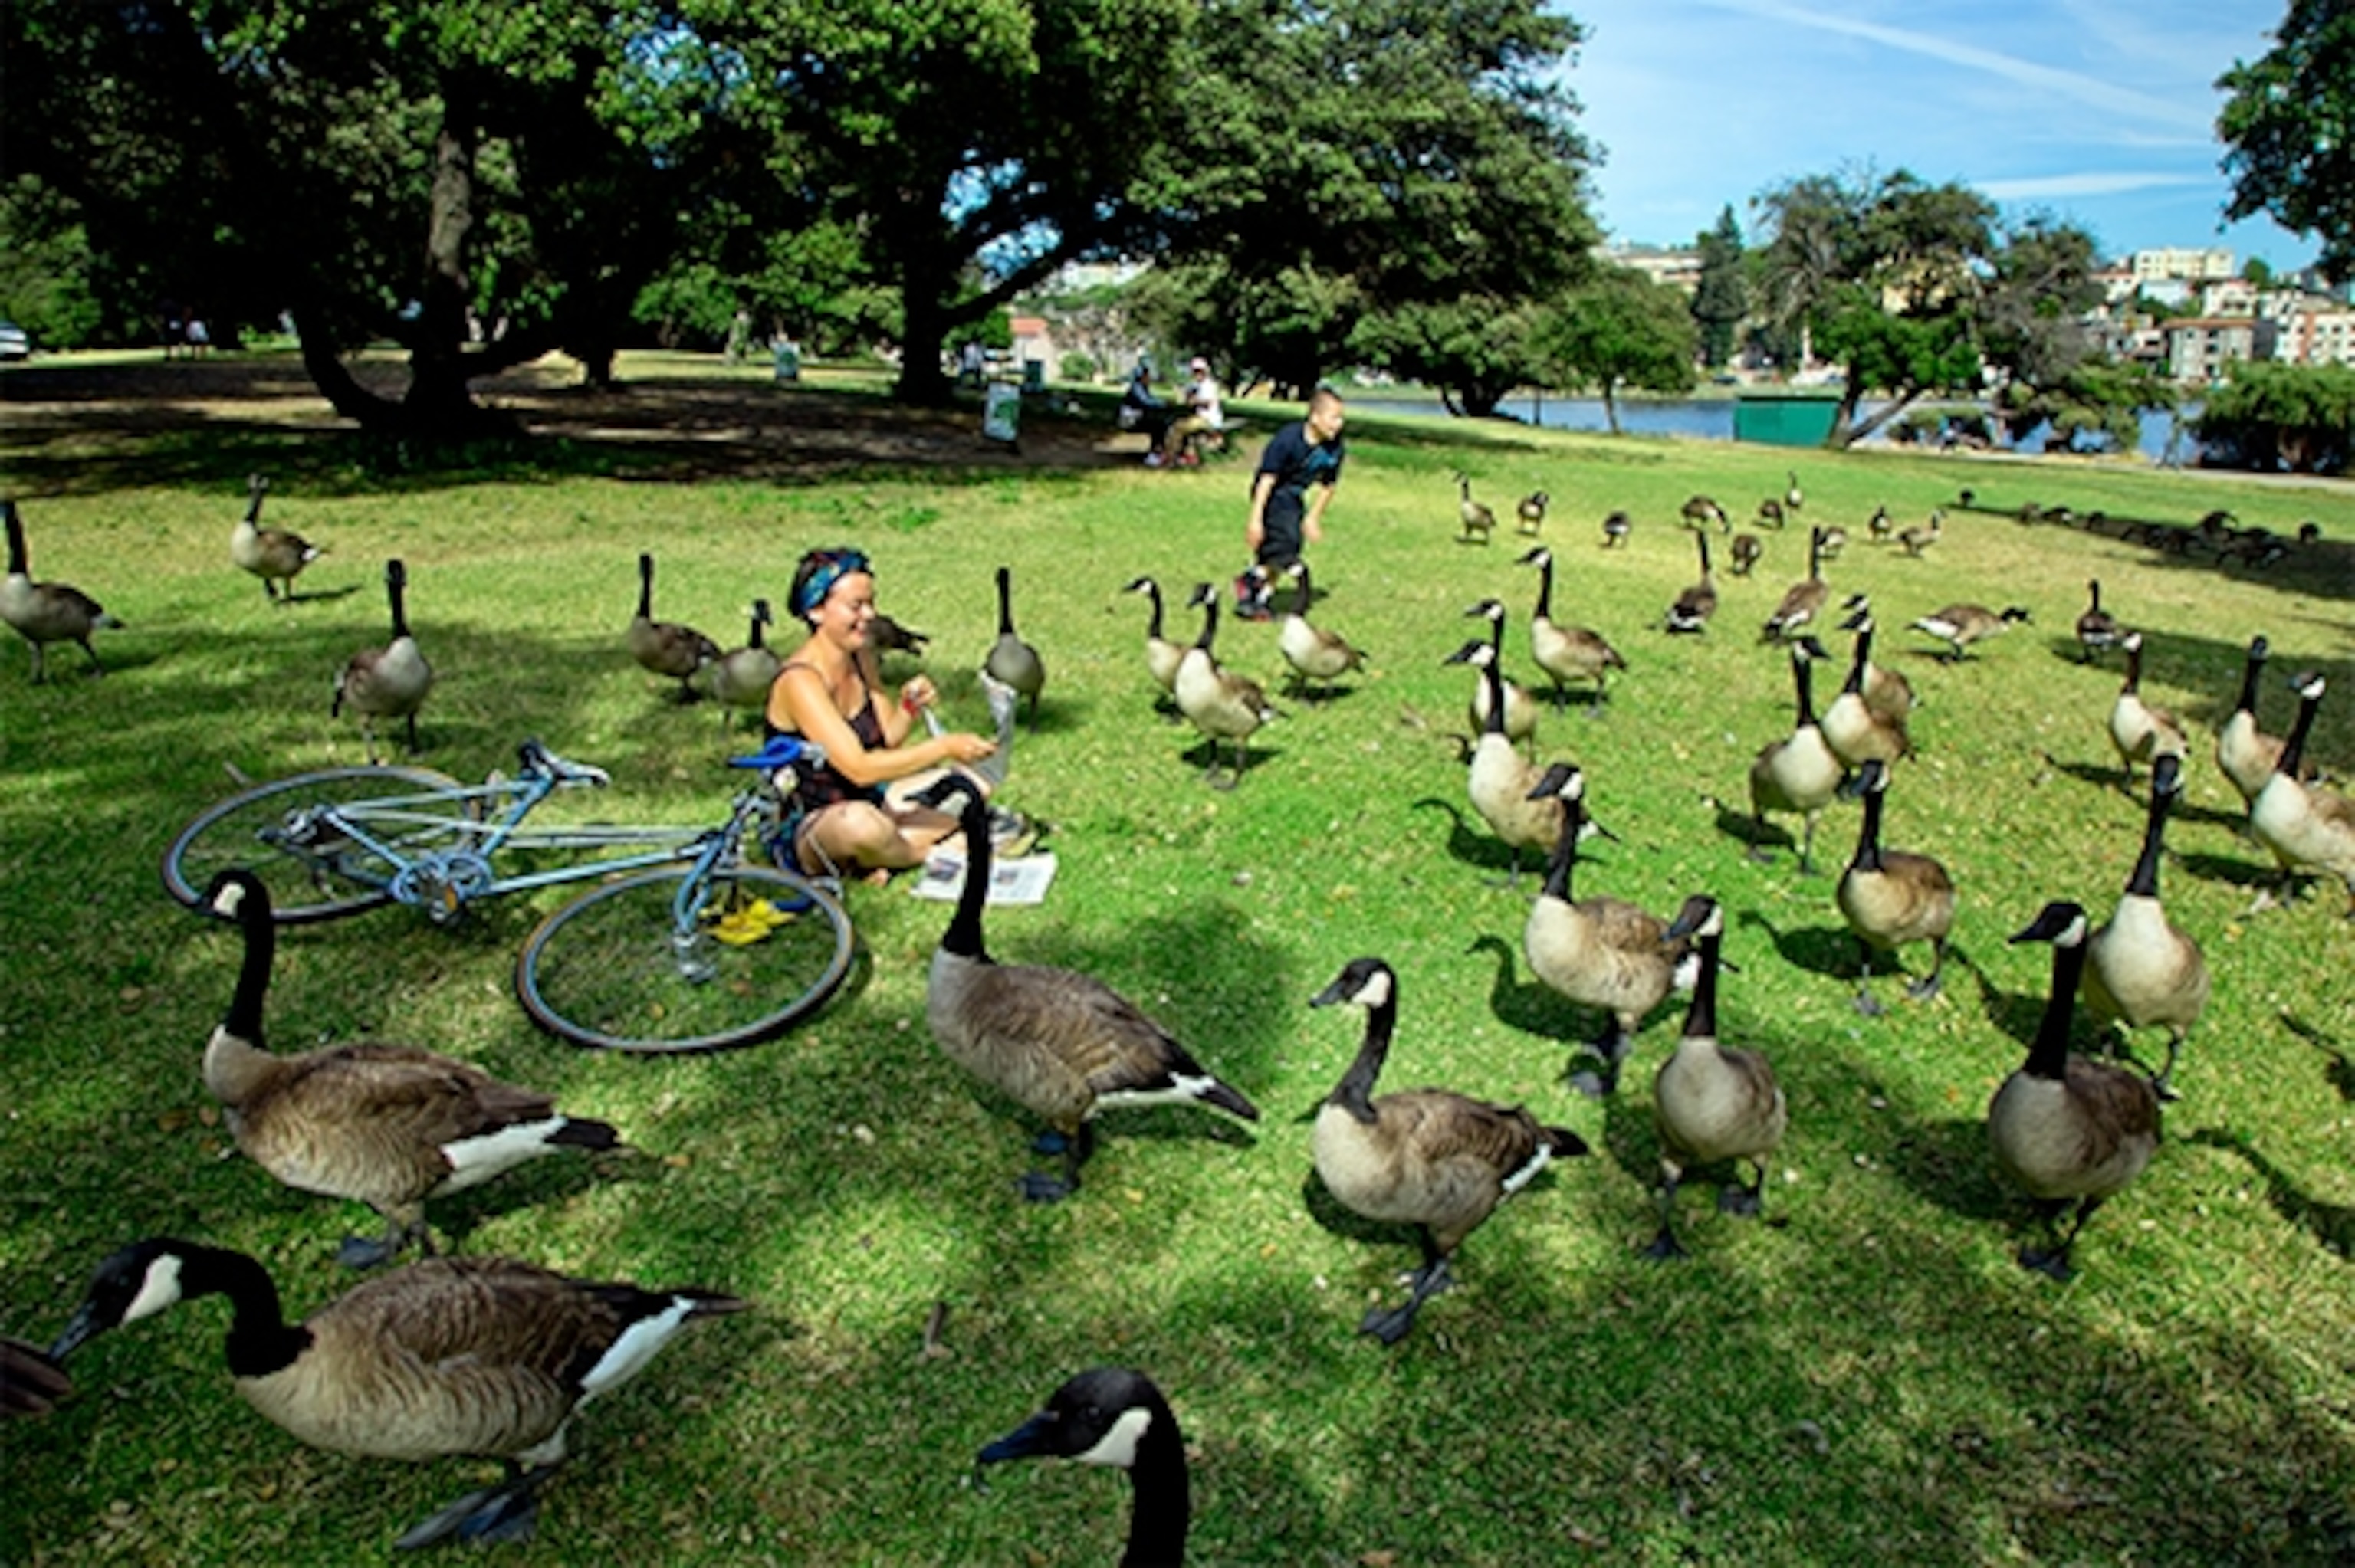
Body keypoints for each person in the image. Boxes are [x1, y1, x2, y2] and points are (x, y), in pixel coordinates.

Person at [764, 547, 1020, 883]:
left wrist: (908, 708)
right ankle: (932, 852)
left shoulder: (860, 654)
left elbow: (887, 739)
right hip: (816, 823)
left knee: (974, 782)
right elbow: (859, 768)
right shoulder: (800, 681)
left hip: (875, 801)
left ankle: (880, 855)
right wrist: (943, 747)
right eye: (856, 606)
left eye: (871, 603)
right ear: (815, 611)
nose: (869, 615)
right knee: (861, 825)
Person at [1237, 386, 1346, 620]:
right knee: (1286, 546)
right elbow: (1266, 480)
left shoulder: (1335, 448)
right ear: (1315, 417)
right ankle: (1251, 583)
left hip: (1293, 496)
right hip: (1272, 494)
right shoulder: (1287, 440)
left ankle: (1258, 598)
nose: (1339, 424)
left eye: (1341, 418)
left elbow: (1329, 485)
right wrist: (1255, 520)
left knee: (1280, 550)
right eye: (1334, 417)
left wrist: (1313, 517)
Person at [1158, 356, 1225, 466]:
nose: (1197, 374)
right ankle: (1185, 456)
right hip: (1200, 418)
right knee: (1178, 424)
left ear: (1205, 371)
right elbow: (1186, 393)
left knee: (1177, 428)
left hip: (1208, 419)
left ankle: (1170, 458)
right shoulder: (1196, 385)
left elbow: (1207, 403)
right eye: (1195, 371)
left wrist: (1191, 401)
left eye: (1199, 371)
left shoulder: (1209, 385)